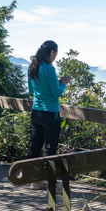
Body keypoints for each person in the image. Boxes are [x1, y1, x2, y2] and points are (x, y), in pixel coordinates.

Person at [27, 41, 71, 187]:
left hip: (36, 112)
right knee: (50, 148)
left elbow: (32, 90)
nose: (55, 57)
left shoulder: (32, 67)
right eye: (56, 54)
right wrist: (63, 82)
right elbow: (56, 92)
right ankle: (51, 181)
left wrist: (53, 83)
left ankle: (34, 179)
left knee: (35, 147)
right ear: (51, 52)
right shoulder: (49, 69)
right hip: (50, 114)